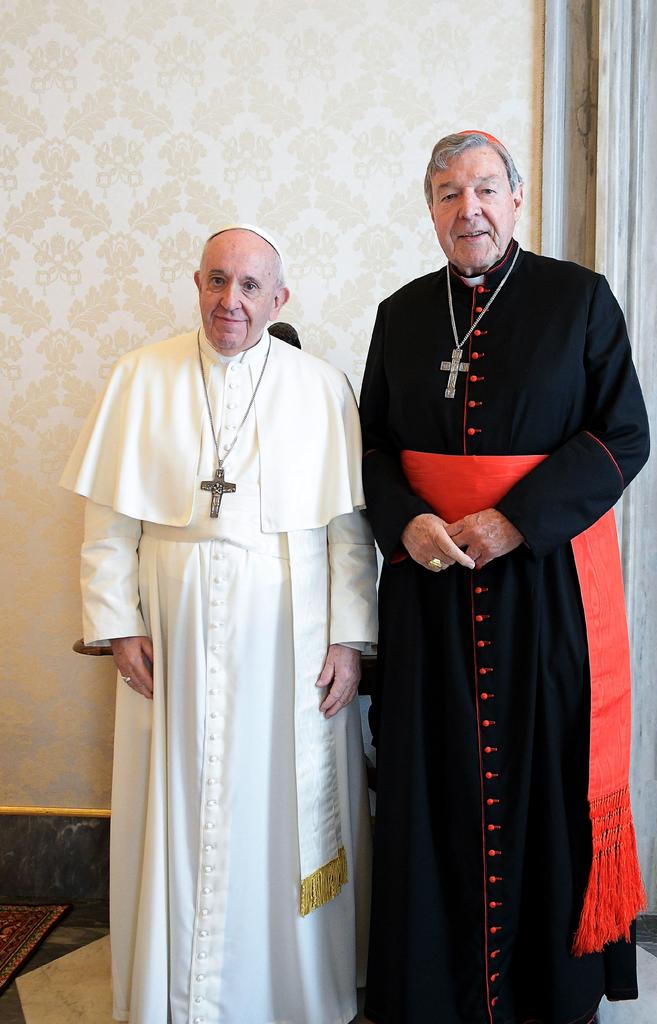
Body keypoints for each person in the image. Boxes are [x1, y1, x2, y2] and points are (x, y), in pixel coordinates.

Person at [359, 131, 650, 1024]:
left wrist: (516, 521)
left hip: (546, 592)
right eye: (447, 193)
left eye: (484, 188)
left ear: (517, 200)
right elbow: (368, 447)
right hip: (429, 588)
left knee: (547, 780)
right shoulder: (401, 313)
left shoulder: (579, 299)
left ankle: (548, 991)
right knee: (430, 781)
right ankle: (433, 989)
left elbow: (623, 436)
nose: (467, 208)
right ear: (431, 210)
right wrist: (404, 519)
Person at [61, 224, 377, 1024]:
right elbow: (108, 526)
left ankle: (289, 993)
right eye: (215, 282)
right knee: (177, 800)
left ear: (280, 298)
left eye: (247, 287)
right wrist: (117, 621)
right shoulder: (140, 377)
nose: (229, 302)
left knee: (279, 807)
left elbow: (347, 532)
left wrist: (349, 641)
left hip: (290, 637)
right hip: (172, 628)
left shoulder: (322, 387)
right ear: (196, 284)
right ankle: (174, 993)